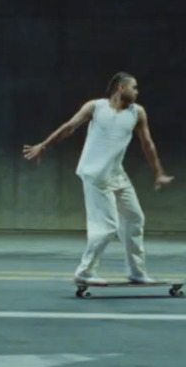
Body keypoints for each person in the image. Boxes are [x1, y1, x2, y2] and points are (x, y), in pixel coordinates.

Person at [22, 73, 175, 283]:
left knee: (134, 218)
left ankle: (136, 272)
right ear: (121, 87)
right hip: (95, 175)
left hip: (117, 174)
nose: (137, 92)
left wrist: (158, 172)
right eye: (134, 87)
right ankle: (85, 272)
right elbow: (69, 127)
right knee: (107, 226)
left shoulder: (137, 113)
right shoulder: (96, 107)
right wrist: (43, 145)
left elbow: (147, 144)